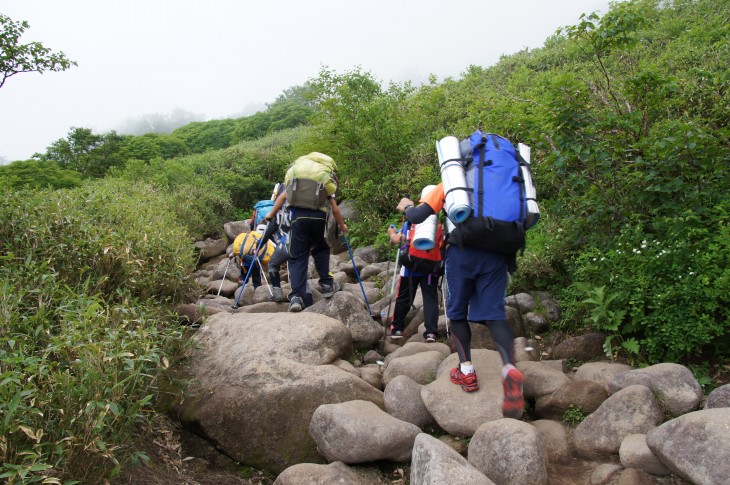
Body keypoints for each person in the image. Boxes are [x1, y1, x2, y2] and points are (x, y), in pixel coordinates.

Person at [395, 184, 525, 418]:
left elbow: (418, 216)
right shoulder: (499, 182)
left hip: (463, 252)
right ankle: (509, 368)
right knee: (494, 314)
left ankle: (467, 371)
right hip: (496, 254)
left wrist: (408, 207)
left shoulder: (452, 179)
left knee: (456, 313)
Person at [266, 152, 348, 312]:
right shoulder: (322, 176)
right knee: (321, 249)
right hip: (319, 218)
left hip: (298, 219)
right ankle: (326, 284)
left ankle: (296, 297)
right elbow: (335, 209)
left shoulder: (296, 176)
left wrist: (271, 214)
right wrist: (342, 226)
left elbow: (282, 198)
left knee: (297, 257)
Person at [385, 220, 442, 343]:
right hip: (430, 269)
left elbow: (397, 239)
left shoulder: (411, 223)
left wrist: (391, 233)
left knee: (403, 297)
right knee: (430, 300)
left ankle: (397, 329)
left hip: (410, 268)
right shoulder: (437, 224)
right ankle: (431, 333)